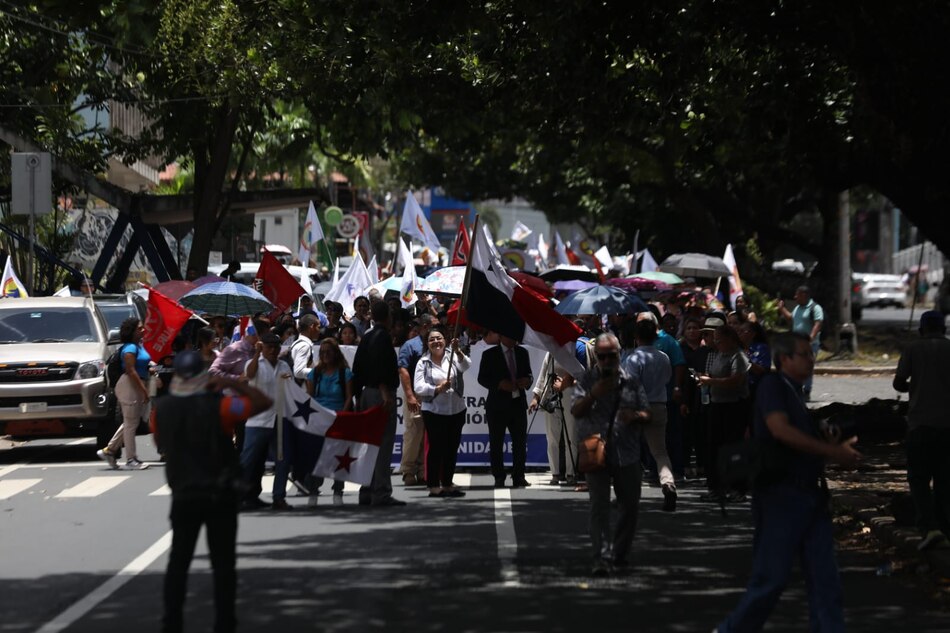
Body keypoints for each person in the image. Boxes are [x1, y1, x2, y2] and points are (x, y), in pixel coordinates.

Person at [716, 333, 861, 632]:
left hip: (810, 496)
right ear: (784, 359)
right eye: (805, 354)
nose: (812, 359)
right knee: (770, 580)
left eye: (811, 353)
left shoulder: (794, 391)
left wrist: (828, 443)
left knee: (826, 581)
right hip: (781, 497)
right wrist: (833, 451)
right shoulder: (772, 386)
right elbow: (780, 431)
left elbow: (799, 442)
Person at [151, 350, 272, 633]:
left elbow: (160, 441)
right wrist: (234, 384)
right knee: (223, 565)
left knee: (178, 562)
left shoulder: (163, 411)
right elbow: (262, 402)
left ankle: (172, 623)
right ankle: (225, 622)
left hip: (184, 494)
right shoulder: (222, 407)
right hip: (220, 494)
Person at [572, 333, 651, 576]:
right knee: (599, 507)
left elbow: (648, 413)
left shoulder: (631, 381)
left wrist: (635, 416)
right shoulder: (586, 379)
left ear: (619, 355)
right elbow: (575, 410)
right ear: (596, 357)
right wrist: (594, 393)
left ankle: (620, 553)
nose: (607, 361)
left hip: (626, 452)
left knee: (629, 506)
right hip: (596, 452)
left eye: (611, 356)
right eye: (602, 356)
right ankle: (602, 558)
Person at [892, 310, 950, 551]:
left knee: (918, 477)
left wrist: (914, 384)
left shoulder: (912, 349)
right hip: (947, 425)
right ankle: (946, 527)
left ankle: (927, 525)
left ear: (921, 330)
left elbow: (898, 383)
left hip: (919, 424)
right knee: (945, 478)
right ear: (944, 329)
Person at [352, 300, 405, 506]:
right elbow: (378, 366)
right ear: (388, 317)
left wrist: (358, 397)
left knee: (368, 445)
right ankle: (381, 492)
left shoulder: (367, 337)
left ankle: (366, 489)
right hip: (380, 394)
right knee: (382, 445)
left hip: (366, 393)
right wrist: (384, 392)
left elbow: (357, 367)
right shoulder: (381, 337)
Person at [623, 319, 677, 511]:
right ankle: (668, 483)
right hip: (660, 405)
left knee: (631, 452)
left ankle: (628, 494)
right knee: (660, 451)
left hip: (638, 407)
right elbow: (668, 378)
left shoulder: (633, 359)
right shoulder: (663, 357)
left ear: (636, 337)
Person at [413, 327, 471, 498]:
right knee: (436, 448)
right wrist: (437, 389)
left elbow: (466, 365)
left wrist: (458, 351)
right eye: (432, 339)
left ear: (445, 340)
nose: (436, 342)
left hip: (456, 410)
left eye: (439, 338)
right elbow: (419, 387)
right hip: (435, 411)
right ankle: (433, 485)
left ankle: (447, 483)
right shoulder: (423, 362)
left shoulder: (452, 356)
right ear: (427, 344)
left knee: (451, 448)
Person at [240, 333, 294, 511]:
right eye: (269, 347)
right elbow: (249, 374)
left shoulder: (284, 365)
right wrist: (256, 354)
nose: (273, 350)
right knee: (250, 461)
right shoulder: (254, 363)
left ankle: (279, 497)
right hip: (258, 420)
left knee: (282, 460)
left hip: (279, 419)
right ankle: (243, 496)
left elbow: (291, 390)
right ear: (262, 348)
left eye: (276, 347)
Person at [698, 324, 750, 502]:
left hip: (733, 407)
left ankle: (738, 489)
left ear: (730, 339)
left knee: (733, 448)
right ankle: (716, 487)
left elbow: (736, 380)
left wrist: (711, 381)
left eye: (720, 340)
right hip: (717, 404)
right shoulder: (719, 354)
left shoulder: (738, 356)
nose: (717, 343)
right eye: (716, 340)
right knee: (713, 448)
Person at [477, 334, 533, 488]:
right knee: (496, 442)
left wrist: (527, 381)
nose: (513, 338)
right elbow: (482, 378)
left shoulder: (522, 352)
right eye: (509, 334)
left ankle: (518, 476)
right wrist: (499, 384)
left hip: (518, 404)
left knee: (520, 443)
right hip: (497, 406)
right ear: (501, 337)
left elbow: (529, 374)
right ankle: (499, 477)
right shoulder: (489, 354)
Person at [98, 317, 152, 470]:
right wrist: (143, 389)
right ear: (132, 332)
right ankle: (131, 460)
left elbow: (141, 366)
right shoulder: (130, 348)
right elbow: (131, 371)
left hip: (135, 384)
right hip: (129, 385)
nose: (143, 330)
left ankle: (109, 450)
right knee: (131, 424)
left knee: (131, 422)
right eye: (139, 328)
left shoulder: (138, 346)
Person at [306, 337, 354, 505]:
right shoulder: (314, 374)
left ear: (336, 353)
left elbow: (349, 397)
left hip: (338, 419)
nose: (325, 355)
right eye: (323, 352)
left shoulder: (345, 373)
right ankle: (313, 491)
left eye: (329, 352)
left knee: (339, 457)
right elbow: (309, 398)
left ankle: (338, 491)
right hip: (319, 421)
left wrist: (342, 415)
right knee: (316, 457)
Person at [397, 313, 435, 487]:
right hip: (416, 394)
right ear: (425, 326)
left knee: (429, 433)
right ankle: (408, 470)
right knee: (414, 433)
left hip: (434, 395)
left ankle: (424, 470)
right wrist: (410, 395)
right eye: (433, 326)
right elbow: (403, 370)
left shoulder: (435, 345)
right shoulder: (410, 345)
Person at [529, 352, 578, 486]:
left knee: (571, 437)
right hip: (552, 395)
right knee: (552, 437)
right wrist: (536, 397)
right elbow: (542, 376)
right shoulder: (550, 353)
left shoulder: (574, 350)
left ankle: (570, 473)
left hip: (571, 395)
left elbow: (582, 374)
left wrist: (568, 383)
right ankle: (555, 473)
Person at [777, 285, 823, 400]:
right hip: (796, 344)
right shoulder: (798, 307)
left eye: (797, 294)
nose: (795, 297)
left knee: (806, 367)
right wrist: (782, 309)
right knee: (795, 367)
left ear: (804, 295)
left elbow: (818, 323)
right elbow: (791, 318)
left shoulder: (815, 308)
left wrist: (811, 337)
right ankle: (796, 390)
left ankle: (806, 391)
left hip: (810, 345)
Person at [290, 314, 320, 385]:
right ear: (312, 327)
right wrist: (320, 372)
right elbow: (298, 371)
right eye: (318, 327)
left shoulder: (298, 343)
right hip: (302, 392)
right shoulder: (304, 346)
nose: (319, 331)